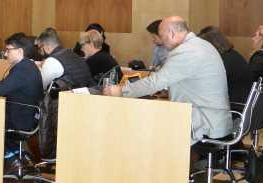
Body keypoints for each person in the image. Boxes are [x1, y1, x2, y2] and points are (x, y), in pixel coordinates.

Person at [104, 17, 231, 145]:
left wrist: (121, 90)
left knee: (145, 130)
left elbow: (155, 82)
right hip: (215, 121)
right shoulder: (202, 44)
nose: (161, 41)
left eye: (161, 35)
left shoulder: (186, 51)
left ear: (171, 33)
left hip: (203, 126)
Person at [198, 26, 251, 107]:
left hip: (232, 107)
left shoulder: (222, 61)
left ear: (211, 44)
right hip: (240, 104)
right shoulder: (233, 55)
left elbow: (211, 88)